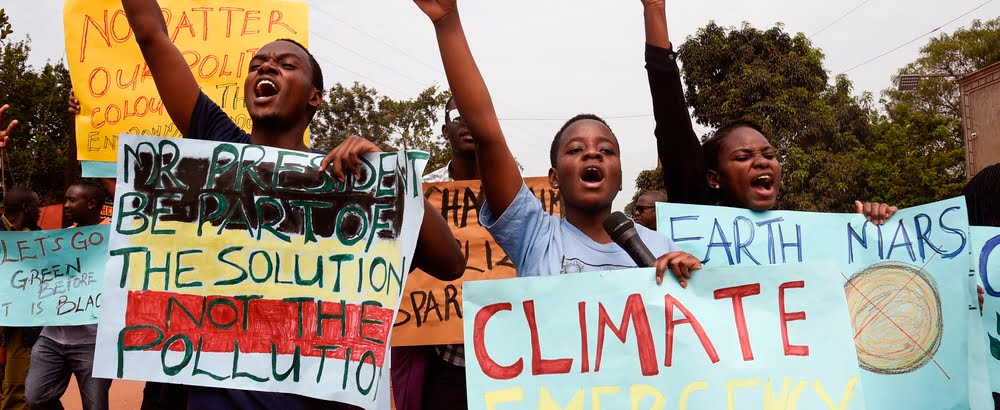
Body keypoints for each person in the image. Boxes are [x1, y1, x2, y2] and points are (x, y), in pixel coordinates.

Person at [121, 0, 465, 408]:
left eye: (285, 64)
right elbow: (151, 35)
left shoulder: (345, 182)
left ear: (315, 97)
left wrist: (392, 176)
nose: (266, 68)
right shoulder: (217, 148)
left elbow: (450, 263)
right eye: (258, 64)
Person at [413, 0, 702, 289]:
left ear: (621, 176)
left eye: (606, 151)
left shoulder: (660, 245)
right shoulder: (534, 235)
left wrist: (691, 277)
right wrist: (447, 23)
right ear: (554, 177)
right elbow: (487, 137)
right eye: (576, 149)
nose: (592, 153)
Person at [641, 0, 896, 223]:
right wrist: (655, 8)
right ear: (713, 179)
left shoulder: (801, 236)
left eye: (769, 154)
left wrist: (874, 229)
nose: (762, 162)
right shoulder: (697, 213)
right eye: (743, 157)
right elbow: (672, 118)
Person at [392, 96, 477, 410]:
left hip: (502, 356)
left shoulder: (512, 192)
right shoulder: (420, 191)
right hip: (439, 356)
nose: (467, 122)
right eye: (458, 116)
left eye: (475, 113)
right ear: (445, 130)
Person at [24, 180, 112, 410]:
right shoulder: (61, 239)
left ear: (92, 204)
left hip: (92, 343)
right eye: (66, 199)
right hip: (52, 338)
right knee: (36, 398)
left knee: (95, 406)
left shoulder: (115, 236)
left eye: (72, 200)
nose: (66, 205)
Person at [0, 186, 42, 410]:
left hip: (21, 326)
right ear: (26, 207)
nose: (40, 210)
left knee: (17, 386)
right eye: (37, 205)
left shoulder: (39, 237)